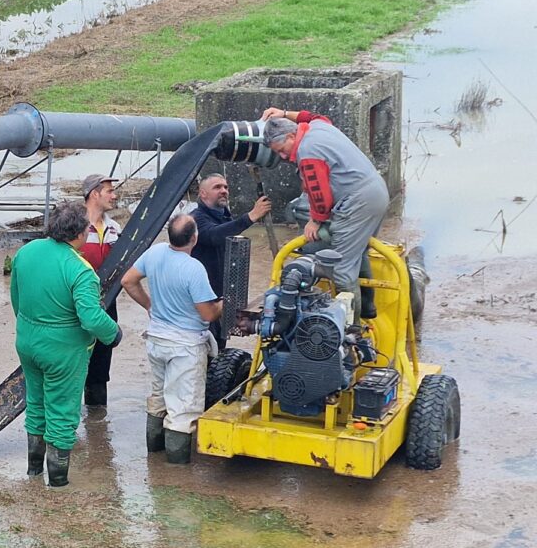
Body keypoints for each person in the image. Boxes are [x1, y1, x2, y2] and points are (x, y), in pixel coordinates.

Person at [11, 201, 122, 488]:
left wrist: (30, 329)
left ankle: (33, 471)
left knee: (36, 402)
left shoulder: (26, 252)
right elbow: (91, 318)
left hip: (27, 341)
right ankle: (57, 483)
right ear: (81, 233)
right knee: (62, 412)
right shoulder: (80, 269)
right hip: (63, 350)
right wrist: (114, 334)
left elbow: (17, 299)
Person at [260, 107, 390, 318]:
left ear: (292, 135)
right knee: (358, 253)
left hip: (358, 202)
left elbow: (320, 196)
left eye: (281, 149)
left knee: (341, 270)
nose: (283, 156)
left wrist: (315, 221)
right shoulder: (317, 127)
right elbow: (313, 116)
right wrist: (284, 114)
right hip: (376, 190)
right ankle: (368, 309)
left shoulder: (307, 152)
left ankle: (351, 331)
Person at [121, 215, 222, 465]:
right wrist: (223, 304)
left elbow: (128, 281)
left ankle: (153, 458)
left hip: (156, 339)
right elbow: (208, 313)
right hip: (185, 346)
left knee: (159, 398)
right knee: (183, 410)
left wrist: (150, 306)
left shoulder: (155, 253)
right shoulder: (193, 268)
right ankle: (174, 474)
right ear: (194, 238)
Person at [189, 173, 272, 349]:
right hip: (202, 300)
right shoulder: (195, 219)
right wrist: (250, 216)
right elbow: (214, 235)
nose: (224, 191)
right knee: (204, 347)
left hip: (221, 296)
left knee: (220, 344)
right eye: (217, 187)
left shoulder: (223, 216)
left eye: (225, 187)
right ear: (203, 194)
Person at [79, 173, 122, 411]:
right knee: (74, 362)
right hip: (78, 303)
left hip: (107, 304)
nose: (114, 196)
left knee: (101, 363)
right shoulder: (73, 226)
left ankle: (96, 423)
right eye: (109, 191)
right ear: (94, 194)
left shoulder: (114, 228)